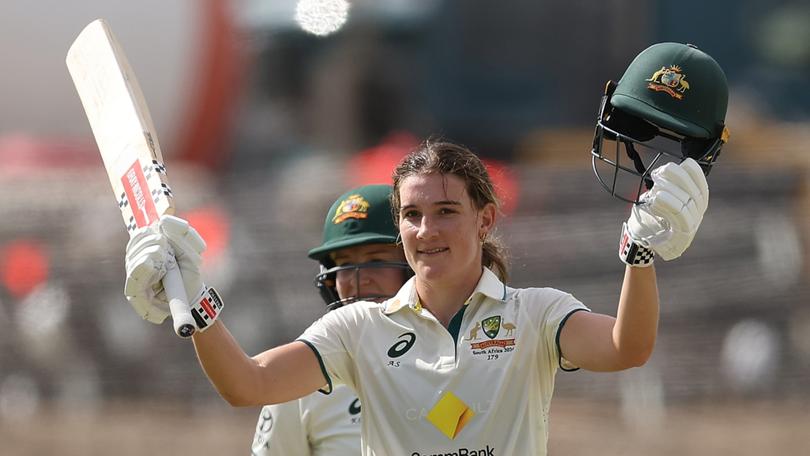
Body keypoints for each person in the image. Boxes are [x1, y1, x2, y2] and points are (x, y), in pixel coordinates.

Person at [123, 42, 727, 455]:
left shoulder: (536, 313)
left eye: (445, 212)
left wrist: (639, 258)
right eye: (411, 215)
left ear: (485, 219)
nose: (425, 231)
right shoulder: (356, 329)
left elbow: (628, 347)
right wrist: (196, 297)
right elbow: (247, 385)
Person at [250, 184, 411, 455]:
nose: (360, 278)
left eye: (376, 260)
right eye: (345, 265)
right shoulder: (302, 374)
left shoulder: (463, 352)